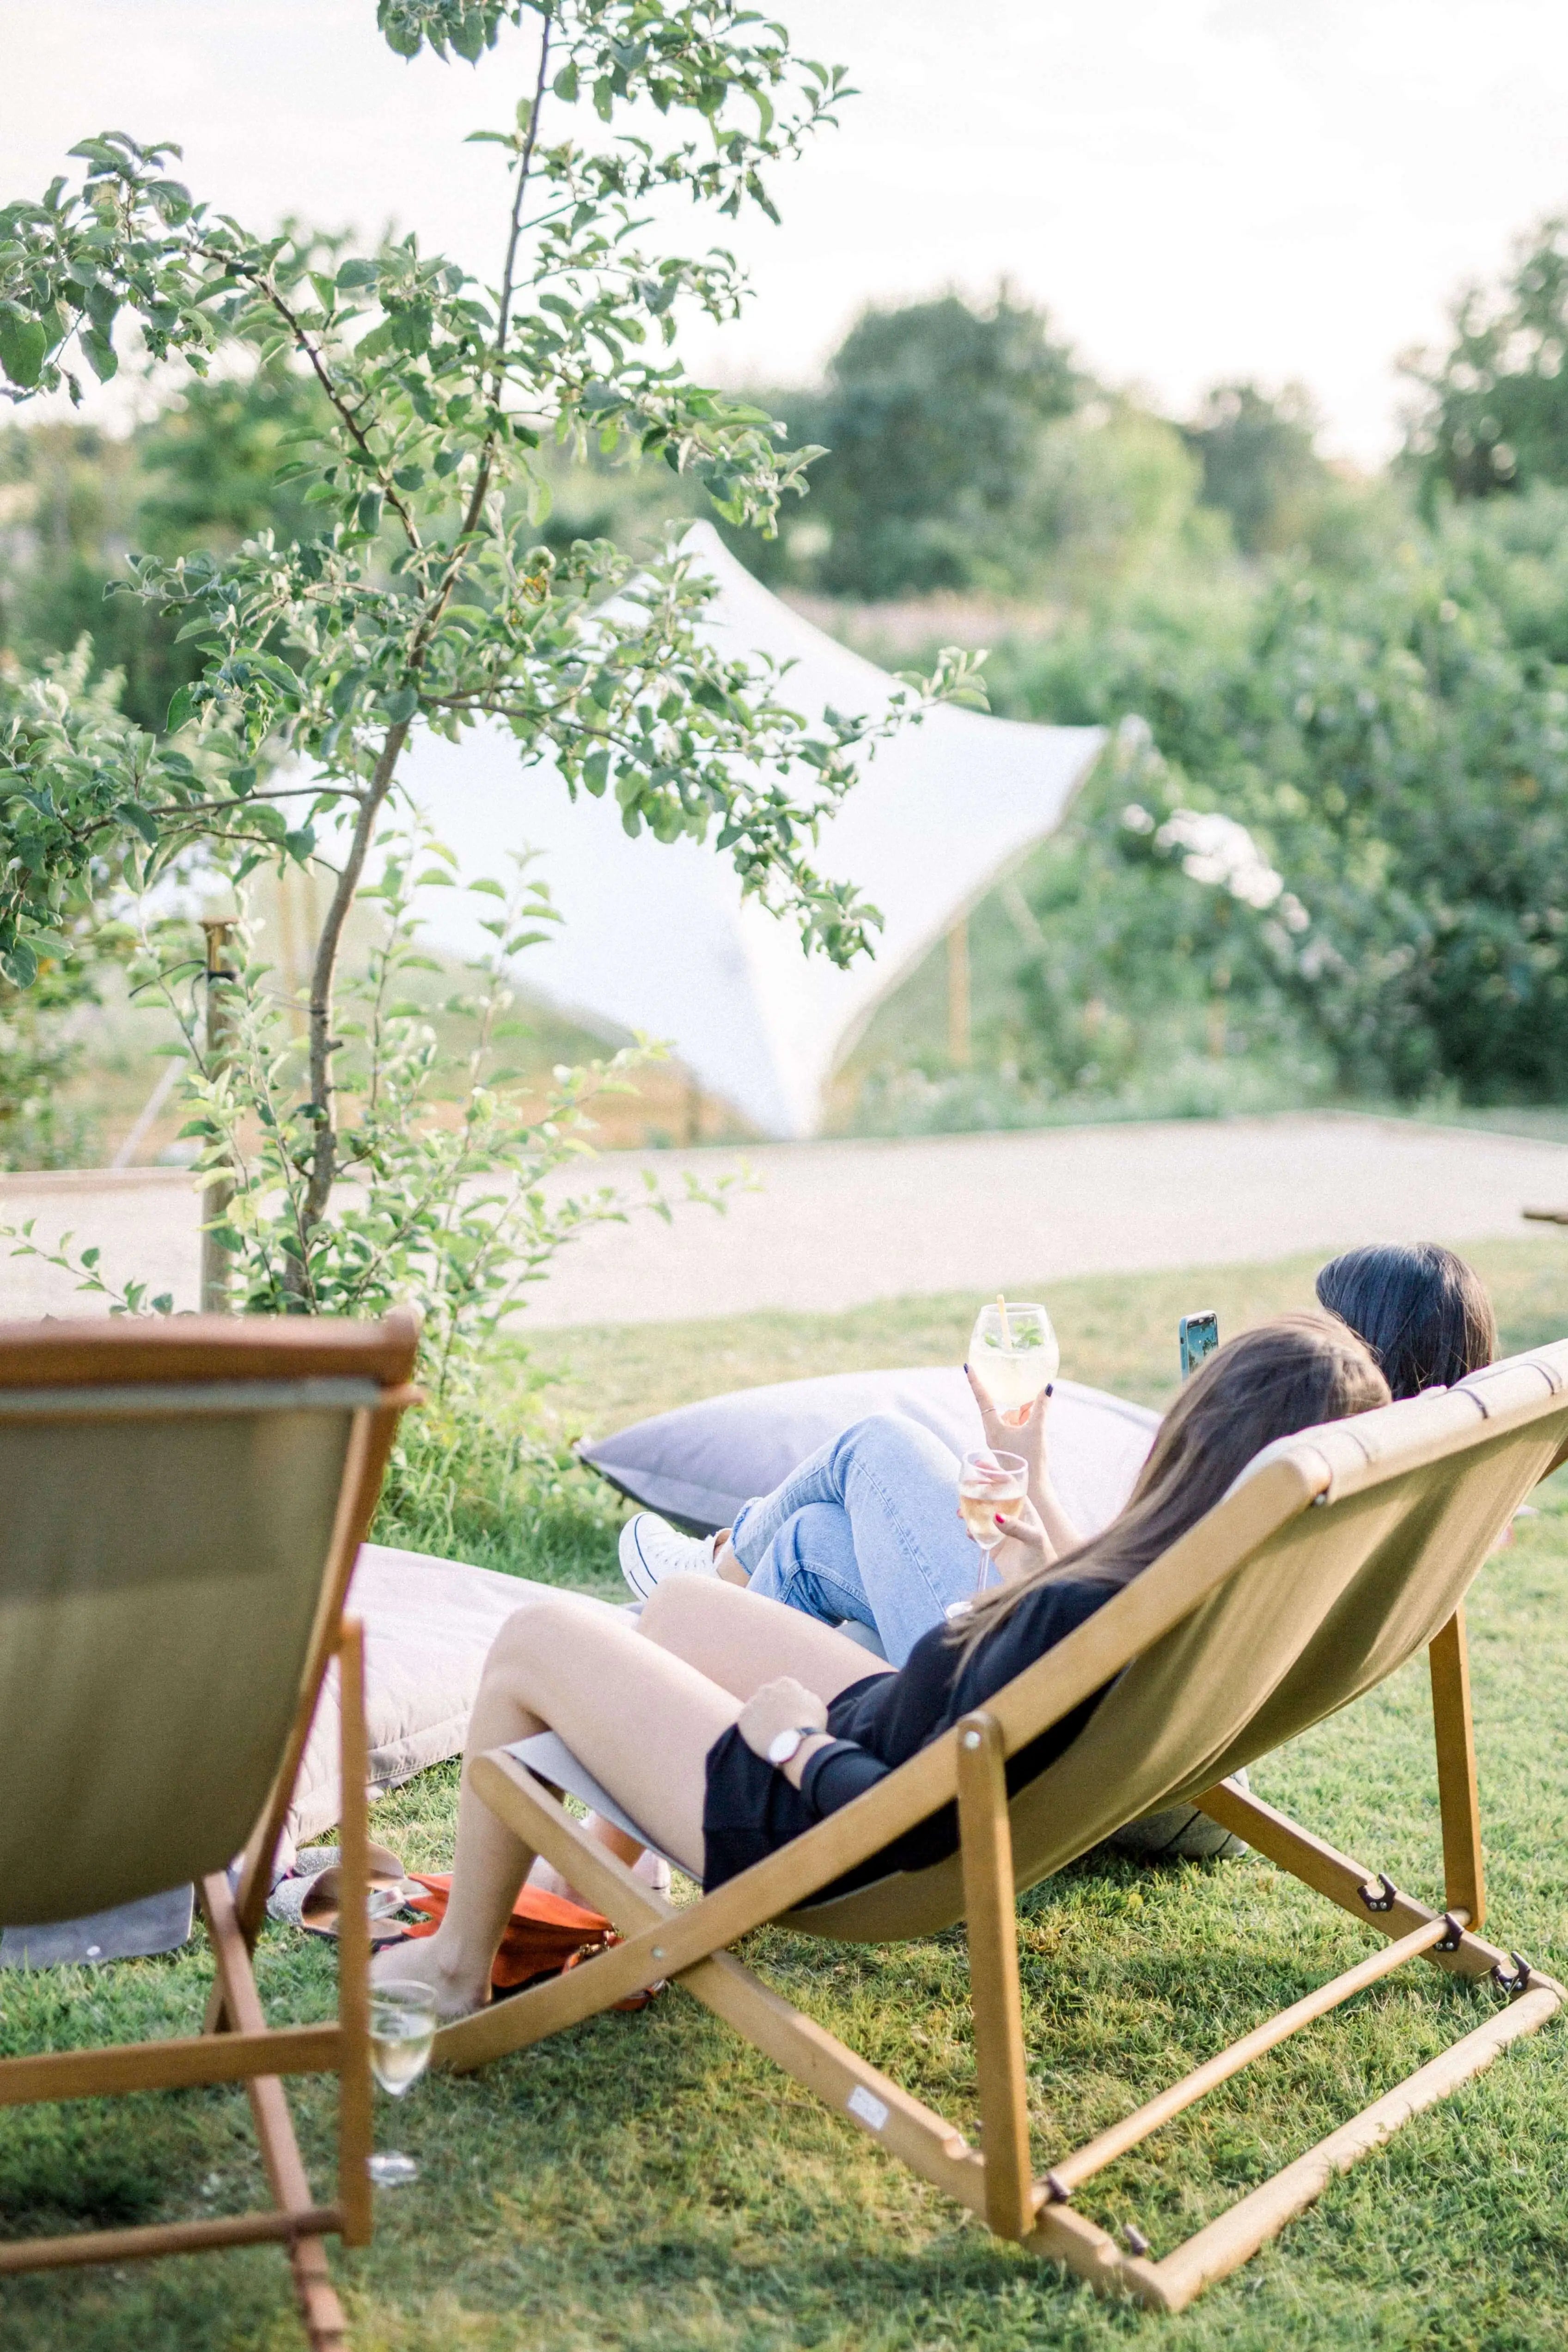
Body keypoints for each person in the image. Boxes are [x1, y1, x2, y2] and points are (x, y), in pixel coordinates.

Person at [373, 1316, 1388, 2021]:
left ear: (1195, 1436)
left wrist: (792, 1741)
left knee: (533, 1639)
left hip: (843, 1821)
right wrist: (1023, 1525)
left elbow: (918, 1812)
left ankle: (460, 1966)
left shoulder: (1107, 1605)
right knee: (686, 1607)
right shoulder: (1204, 1595)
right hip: (899, 1732)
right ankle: (606, 1888)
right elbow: (1033, 1647)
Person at [617, 1241, 1499, 1666]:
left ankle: (708, 1579)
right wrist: (1027, 1468)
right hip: (1157, 1745)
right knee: (811, 1538)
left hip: (1039, 1716)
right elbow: (1118, 1594)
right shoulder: (1396, 1495)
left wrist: (1022, 1495)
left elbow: (1093, 1610)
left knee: (875, 1445)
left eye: (1319, 1318)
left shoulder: (1292, 1476)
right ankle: (698, 1617)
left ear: (1367, 1348)